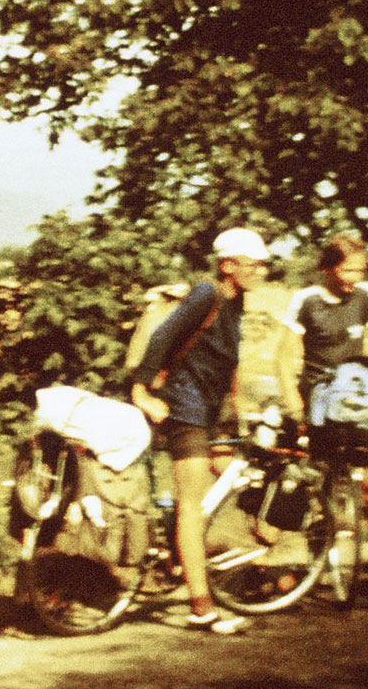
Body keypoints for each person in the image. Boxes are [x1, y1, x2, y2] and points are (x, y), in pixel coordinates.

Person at [131, 227, 270, 632]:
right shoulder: (206, 293)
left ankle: (237, 564)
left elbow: (226, 356)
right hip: (184, 403)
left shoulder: (235, 300)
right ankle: (201, 605)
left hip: (213, 407)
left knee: (236, 479)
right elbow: (163, 336)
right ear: (229, 266)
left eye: (263, 264)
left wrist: (237, 399)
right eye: (253, 264)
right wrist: (141, 390)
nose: (260, 271)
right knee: (192, 502)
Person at [276, 232, 368, 592]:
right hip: (317, 399)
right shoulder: (306, 300)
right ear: (330, 268)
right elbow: (284, 357)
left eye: (360, 270)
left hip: (355, 396)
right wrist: (294, 403)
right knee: (313, 488)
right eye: (348, 270)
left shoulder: (367, 296)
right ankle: (309, 564)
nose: (355, 278)